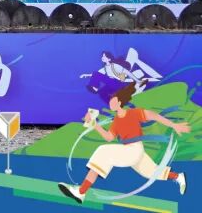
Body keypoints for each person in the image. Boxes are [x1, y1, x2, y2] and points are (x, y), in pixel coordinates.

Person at [59, 82, 189, 203]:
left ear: (119, 102)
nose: (110, 102)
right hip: (131, 151)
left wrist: (174, 125)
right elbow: (109, 137)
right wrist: (94, 124)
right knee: (152, 172)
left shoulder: (133, 113)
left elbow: (153, 115)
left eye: (113, 100)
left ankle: (81, 191)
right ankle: (178, 176)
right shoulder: (116, 121)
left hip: (135, 149)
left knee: (103, 152)